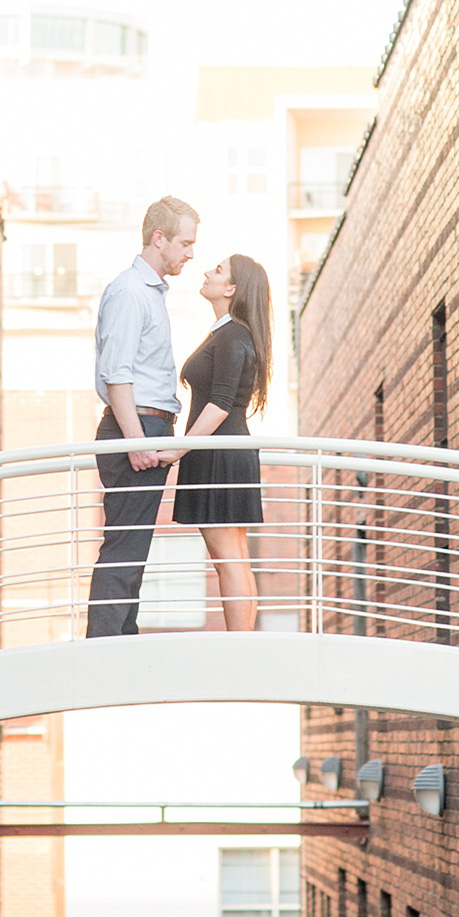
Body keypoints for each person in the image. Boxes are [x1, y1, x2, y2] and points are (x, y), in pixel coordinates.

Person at [86, 194, 200, 638]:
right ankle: (106, 646)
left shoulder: (149, 293)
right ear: (159, 238)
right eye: (185, 243)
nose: (191, 253)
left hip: (145, 428)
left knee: (134, 546)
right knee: (125, 545)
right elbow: (117, 374)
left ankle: (121, 639)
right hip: (135, 429)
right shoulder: (131, 292)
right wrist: (137, 442)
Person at [171, 253, 272, 633]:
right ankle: (242, 648)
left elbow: (218, 406)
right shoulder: (230, 333)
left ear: (231, 288)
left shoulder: (232, 335)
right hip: (222, 451)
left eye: (217, 271)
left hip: (220, 453)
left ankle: (239, 649)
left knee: (228, 557)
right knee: (233, 557)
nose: (207, 272)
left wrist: (175, 451)